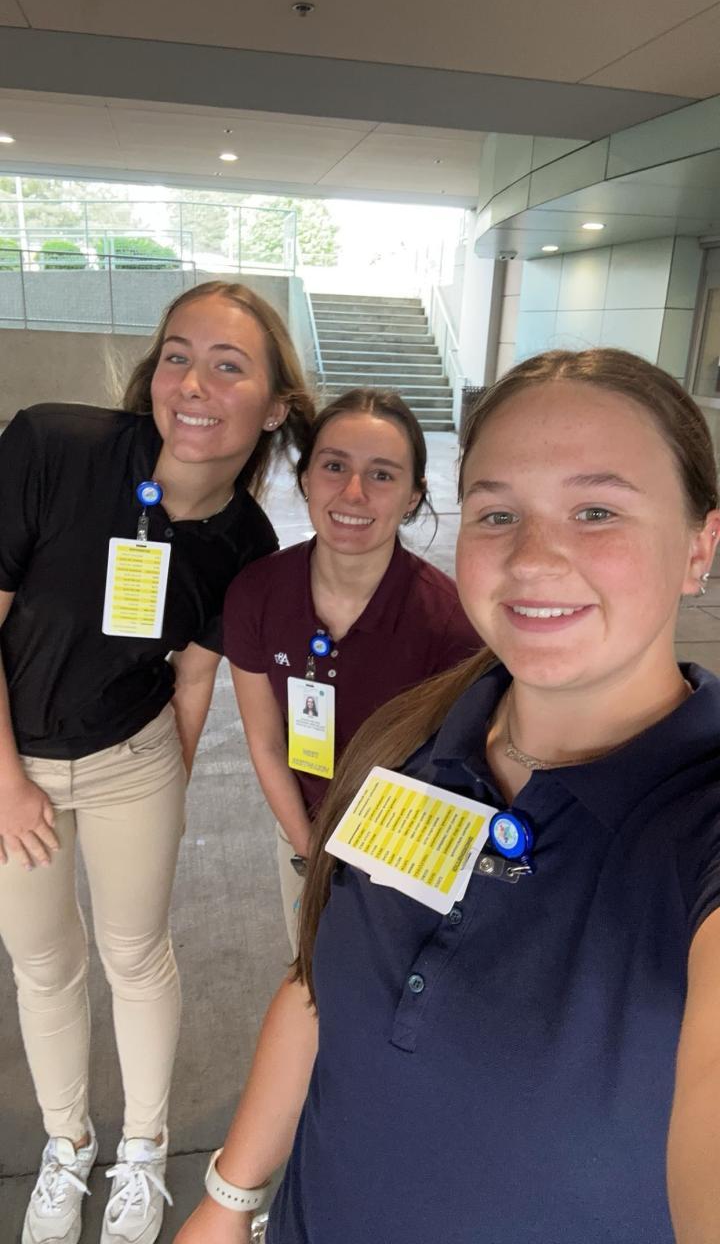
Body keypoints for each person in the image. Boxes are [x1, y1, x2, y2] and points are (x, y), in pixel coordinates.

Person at [175, 347, 720, 1244]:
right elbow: (322, 982)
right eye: (498, 512)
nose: (534, 557)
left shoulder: (698, 827)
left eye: (596, 510)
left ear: (699, 546)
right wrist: (227, 1199)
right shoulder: (410, 742)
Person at [0, 279, 314, 1244]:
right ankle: (66, 1146)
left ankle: (143, 1149)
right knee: (42, 962)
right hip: (13, 764)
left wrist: (168, 787)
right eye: (178, 356)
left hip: (132, 759)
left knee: (136, 956)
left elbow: (192, 679)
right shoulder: (53, 446)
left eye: (228, 366)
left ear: (275, 406)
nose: (193, 384)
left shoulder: (245, 542)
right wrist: (6, 781)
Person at [222, 389, 479, 944]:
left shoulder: (451, 622)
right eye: (335, 466)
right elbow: (266, 742)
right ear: (306, 478)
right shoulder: (256, 594)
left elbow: (457, 774)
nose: (354, 492)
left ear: (413, 496)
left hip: (407, 847)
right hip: (303, 828)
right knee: (309, 970)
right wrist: (310, 852)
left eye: (382, 475)